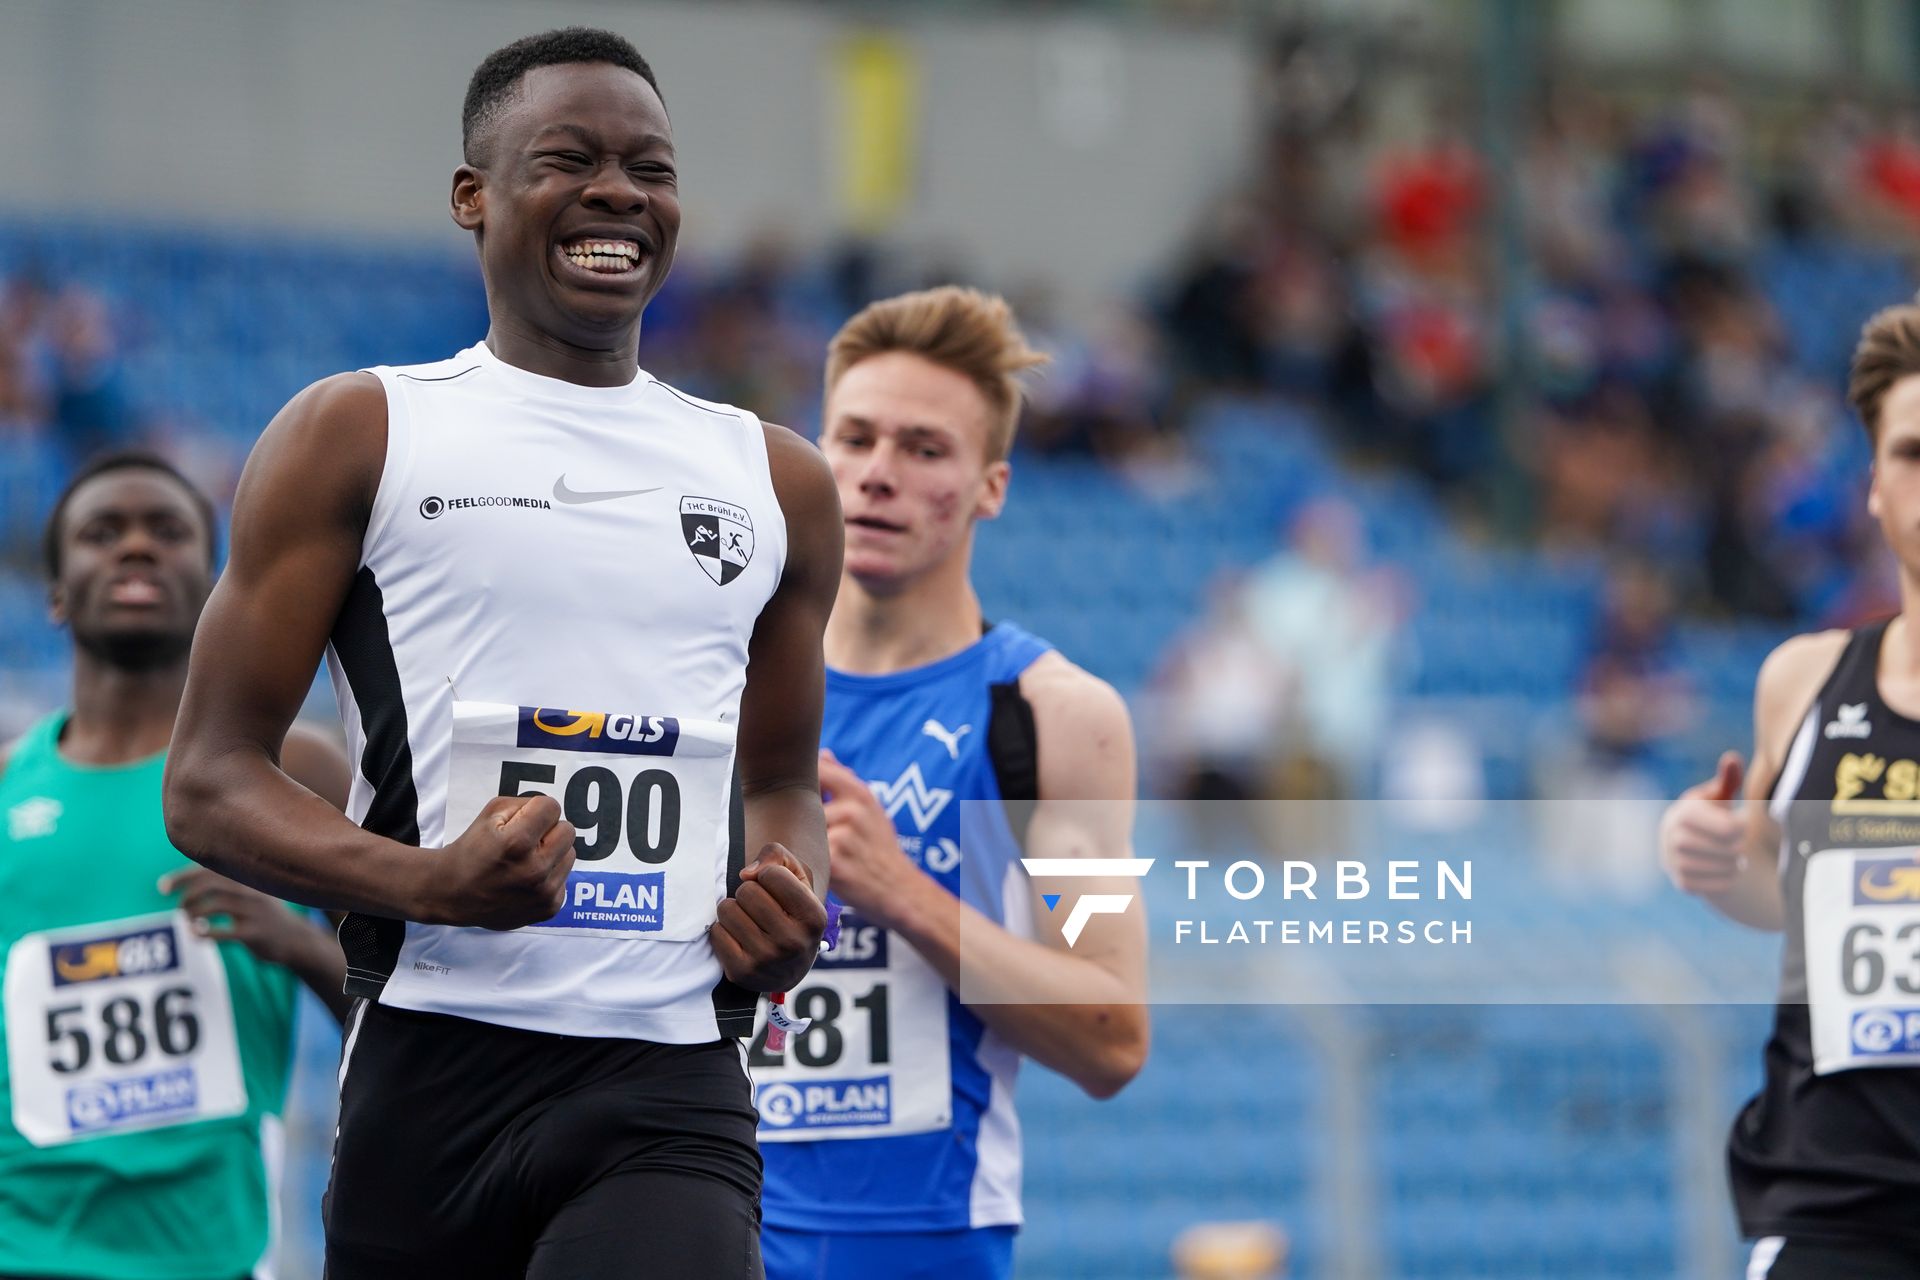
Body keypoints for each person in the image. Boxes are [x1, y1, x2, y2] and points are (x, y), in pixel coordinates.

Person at [160, 28, 838, 1280]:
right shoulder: (360, 432)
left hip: (668, 1075)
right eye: (569, 159)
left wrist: (794, 897)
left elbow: (783, 779)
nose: (619, 194)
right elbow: (207, 778)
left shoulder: (775, 478)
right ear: (473, 197)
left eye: (652, 168)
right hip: (429, 1068)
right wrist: (426, 881)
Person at [755, 287, 1149, 1280]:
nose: (878, 474)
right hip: (704, 1218)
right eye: (855, 437)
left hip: (923, 1248)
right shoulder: (717, 684)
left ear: (991, 486)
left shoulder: (1054, 717)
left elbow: (1113, 1031)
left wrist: (902, 894)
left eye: (925, 449)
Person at [1, 451, 350, 1280]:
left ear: (214, 589)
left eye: (167, 532)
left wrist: (296, 945)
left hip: (213, 1250)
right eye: (102, 533)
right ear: (55, 591)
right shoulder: (5, 786)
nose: (135, 548)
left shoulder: (297, 769)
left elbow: (417, 1013)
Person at [1658, 301, 1920, 1279]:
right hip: (1836, 1214)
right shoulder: (1802, 680)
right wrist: (1712, 853)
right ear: (1874, 488)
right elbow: (1777, 886)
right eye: (1912, 452)